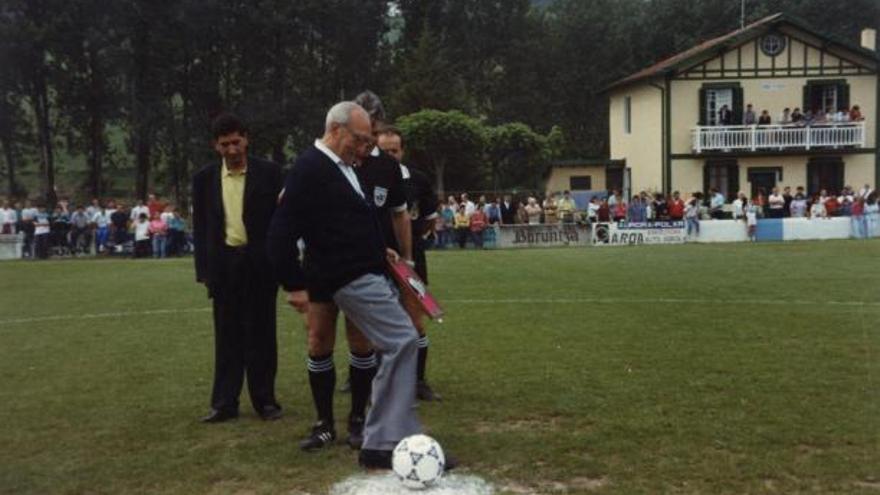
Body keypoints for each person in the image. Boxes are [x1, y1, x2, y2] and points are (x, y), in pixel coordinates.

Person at [267, 101, 456, 471]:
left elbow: (345, 221)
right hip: (349, 277)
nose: (365, 147)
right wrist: (293, 284)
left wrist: (381, 249)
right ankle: (386, 441)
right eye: (360, 139)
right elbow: (279, 233)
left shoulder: (343, 168)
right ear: (335, 130)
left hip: (366, 269)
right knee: (403, 340)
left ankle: (381, 438)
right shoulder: (310, 168)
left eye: (369, 140)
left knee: (399, 341)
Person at [191, 112, 284, 423]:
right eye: (225, 144)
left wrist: (281, 262)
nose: (232, 149)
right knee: (227, 336)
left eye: (237, 142)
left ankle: (265, 401)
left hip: (260, 265)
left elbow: (281, 221)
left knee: (262, 336)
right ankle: (224, 403)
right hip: (224, 266)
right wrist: (204, 271)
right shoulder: (204, 179)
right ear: (215, 146)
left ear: (247, 139)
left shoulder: (270, 174)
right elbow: (201, 227)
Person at [377, 124, 443, 400]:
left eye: (394, 150)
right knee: (373, 319)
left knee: (415, 317)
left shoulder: (417, 180)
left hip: (410, 259)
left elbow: (428, 216)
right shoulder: (365, 176)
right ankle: (371, 375)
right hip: (375, 256)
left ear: (402, 151)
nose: (390, 155)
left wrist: (412, 241)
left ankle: (418, 380)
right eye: (384, 151)